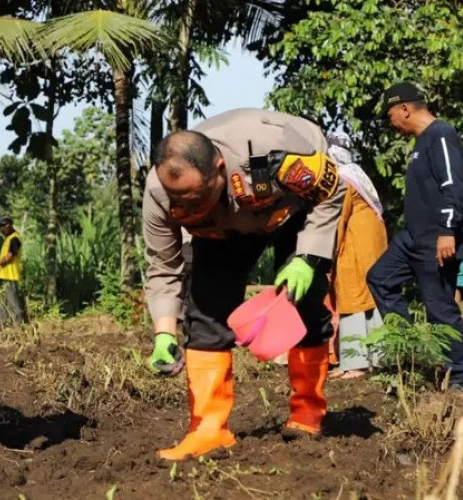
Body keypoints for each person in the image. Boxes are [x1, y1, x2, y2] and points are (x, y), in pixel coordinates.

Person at [144, 108, 346, 460]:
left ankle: (307, 411)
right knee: (205, 311)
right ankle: (208, 429)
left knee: (305, 303)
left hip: (294, 211)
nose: (186, 207)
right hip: (225, 232)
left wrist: (307, 259)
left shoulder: (278, 149)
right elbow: (163, 264)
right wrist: (163, 333)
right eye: (180, 202)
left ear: (219, 168)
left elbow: (331, 193)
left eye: (195, 199)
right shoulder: (160, 193)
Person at [367, 82, 463, 389]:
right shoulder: (420, 144)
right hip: (410, 239)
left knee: (440, 310)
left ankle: (459, 378)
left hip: (436, 240)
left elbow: (454, 186)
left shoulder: (441, 135)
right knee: (379, 277)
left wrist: (447, 231)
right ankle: (409, 344)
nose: (391, 121)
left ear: (405, 109)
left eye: (390, 114)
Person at [326, 132, 387, 379]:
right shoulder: (356, 174)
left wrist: (325, 254)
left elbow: (337, 221)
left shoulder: (342, 180)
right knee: (371, 300)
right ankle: (379, 358)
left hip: (354, 246)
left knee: (351, 298)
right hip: (372, 244)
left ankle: (355, 363)